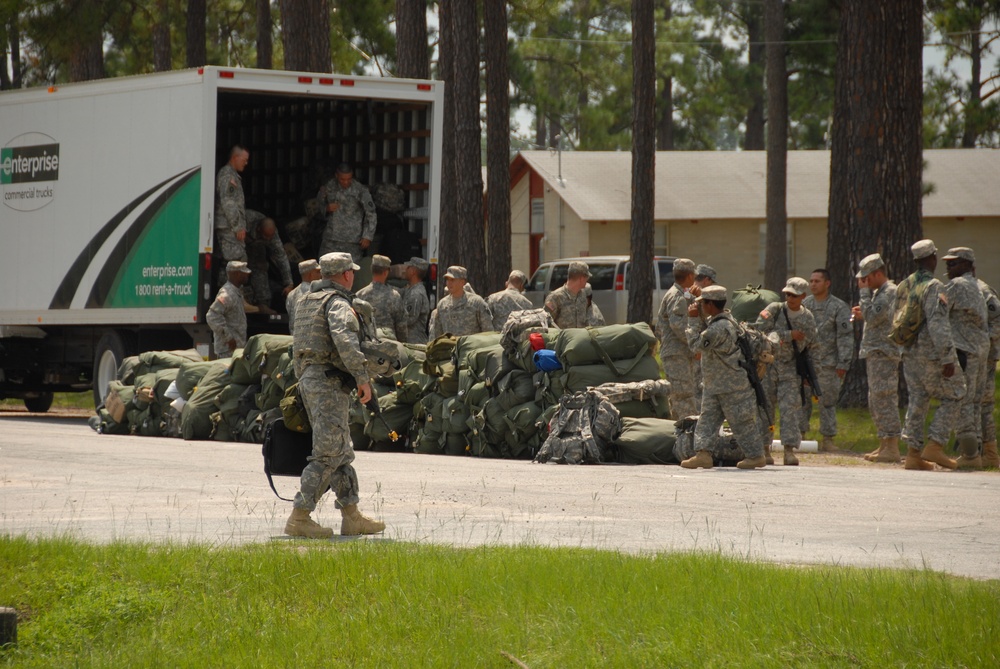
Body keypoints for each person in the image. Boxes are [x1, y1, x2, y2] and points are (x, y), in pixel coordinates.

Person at [285, 252, 386, 539]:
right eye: (352, 272)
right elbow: (345, 341)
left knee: (341, 451)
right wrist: (362, 377)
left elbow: (298, 344)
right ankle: (300, 516)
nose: (353, 276)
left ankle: (351, 516)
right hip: (328, 382)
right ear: (345, 275)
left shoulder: (305, 301)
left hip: (311, 378)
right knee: (329, 452)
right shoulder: (337, 303)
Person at [895, 239, 965, 471]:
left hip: (909, 351)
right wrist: (947, 357)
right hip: (932, 353)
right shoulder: (934, 286)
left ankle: (913, 454)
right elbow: (938, 324)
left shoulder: (904, 285)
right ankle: (935, 445)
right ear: (933, 258)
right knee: (955, 393)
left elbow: (894, 318)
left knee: (918, 398)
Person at [680, 284, 767, 470]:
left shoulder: (720, 328)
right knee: (707, 420)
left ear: (710, 304)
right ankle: (703, 454)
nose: (701, 307)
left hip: (730, 385)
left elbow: (696, 344)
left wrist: (692, 320)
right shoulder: (724, 321)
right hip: (716, 384)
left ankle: (756, 456)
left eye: (703, 303)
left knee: (741, 421)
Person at [754, 276, 817, 466]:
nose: (790, 299)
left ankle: (789, 450)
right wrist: (787, 335)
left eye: (795, 296)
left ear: (803, 297)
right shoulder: (775, 310)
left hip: (790, 369)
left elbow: (812, 344)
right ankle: (765, 448)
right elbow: (759, 331)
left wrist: (810, 375)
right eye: (788, 294)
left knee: (790, 409)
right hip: (768, 366)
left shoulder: (807, 318)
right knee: (766, 408)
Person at [851, 254, 903, 463]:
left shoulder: (889, 292)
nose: (864, 283)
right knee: (876, 400)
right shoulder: (879, 293)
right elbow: (876, 317)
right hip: (876, 352)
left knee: (884, 398)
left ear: (878, 273)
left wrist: (863, 295)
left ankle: (892, 447)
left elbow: (874, 317)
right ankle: (884, 444)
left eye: (867, 279)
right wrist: (865, 309)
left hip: (884, 352)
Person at [942, 247, 990, 469]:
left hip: (964, 352)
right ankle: (976, 453)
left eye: (955, 263)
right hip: (980, 351)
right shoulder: (979, 286)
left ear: (968, 264)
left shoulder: (957, 285)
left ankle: (969, 455)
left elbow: (937, 312)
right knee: (974, 402)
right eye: (948, 262)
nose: (949, 266)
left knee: (961, 401)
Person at [800, 268, 853, 451]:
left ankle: (828, 440)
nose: (813, 284)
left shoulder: (839, 307)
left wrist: (843, 363)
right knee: (802, 401)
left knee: (827, 402)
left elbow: (845, 336)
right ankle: (800, 437)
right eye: (811, 281)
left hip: (829, 365)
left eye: (817, 281)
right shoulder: (804, 305)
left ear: (827, 283)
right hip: (807, 364)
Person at [655, 258, 700, 420]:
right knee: (683, 396)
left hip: (678, 353)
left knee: (678, 397)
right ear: (689, 276)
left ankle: (678, 435)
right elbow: (679, 326)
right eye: (693, 274)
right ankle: (688, 436)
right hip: (677, 355)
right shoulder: (677, 297)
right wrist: (696, 346)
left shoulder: (682, 294)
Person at [316, 163, 378, 262]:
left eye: (349, 179)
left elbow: (371, 213)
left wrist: (368, 236)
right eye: (342, 179)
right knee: (325, 268)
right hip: (331, 239)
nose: (346, 182)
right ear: (337, 176)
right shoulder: (329, 186)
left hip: (352, 241)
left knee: (350, 271)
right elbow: (317, 206)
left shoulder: (360, 190)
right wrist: (326, 208)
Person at [245, 211, 294, 314]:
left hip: (257, 252)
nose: (268, 239)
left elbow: (281, 257)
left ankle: (264, 308)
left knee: (260, 271)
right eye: (266, 236)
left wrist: (288, 283)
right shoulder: (247, 219)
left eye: (269, 238)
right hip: (240, 248)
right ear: (259, 229)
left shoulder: (272, 234)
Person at [214, 145, 250, 285]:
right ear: (235, 157)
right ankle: (236, 296)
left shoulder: (231, 175)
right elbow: (228, 202)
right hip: (228, 226)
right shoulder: (228, 176)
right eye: (244, 159)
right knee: (238, 260)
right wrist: (237, 226)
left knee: (227, 265)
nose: (246, 163)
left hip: (226, 226)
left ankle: (228, 296)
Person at [428, 266, 493, 339]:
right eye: (447, 279)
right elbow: (437, 334)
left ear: (462, 282)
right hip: (449, 349)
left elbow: (488, 332)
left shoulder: (476, 302)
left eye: (452, 280)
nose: (449, 283)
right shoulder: (442, 304)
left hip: (470, 349)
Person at [977, 276, 1000, 467]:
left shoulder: (983, 291)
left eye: (954, 265)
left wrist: (983, 342)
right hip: (972, 356)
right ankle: (973, 452)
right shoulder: (961, 288)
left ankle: (991, 454)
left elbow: (997, 320)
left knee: (984, 404)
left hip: (985, 357)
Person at [206, 260, 250, 359]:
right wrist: (228, 338)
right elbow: (212, 316)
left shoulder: (236, 292)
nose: (247, 275)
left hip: (236, 349)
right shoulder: (227, 294)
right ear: (237, 274)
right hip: (228, 350)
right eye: (244, 273)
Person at [356, 255, 405, 340]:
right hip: (390, 346)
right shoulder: (394, 296)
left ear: (371, 270)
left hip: (367, 345)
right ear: (386, 272)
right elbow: (401, 327)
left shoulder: (360, 295)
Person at [544, 261, 590, 328]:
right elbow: (545, 322)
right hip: (562, 338)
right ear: (581, 278)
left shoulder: (583, 296)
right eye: (587, 278)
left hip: (580, 338)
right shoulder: (555, 297)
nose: (587, 280)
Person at [286, 259, 321, 336]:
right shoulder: (315, 293)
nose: (320, 275)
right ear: (310, 275)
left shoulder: (291, 294)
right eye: (318, 272)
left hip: (294, 339)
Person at [402, 257, 431, 344]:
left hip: (414, 343)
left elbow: (409, 319)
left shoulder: (416, 294)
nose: (405, 269)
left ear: (413, 271)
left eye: (408, 267)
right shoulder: (410, 289)